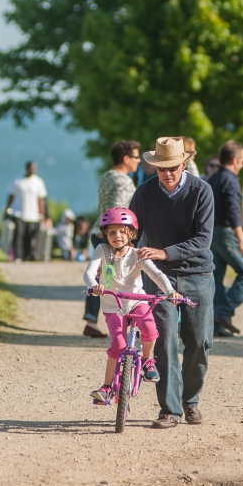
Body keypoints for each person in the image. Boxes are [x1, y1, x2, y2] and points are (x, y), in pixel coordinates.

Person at [128, 136, 215, 429]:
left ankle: (191, 401)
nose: (167, 173)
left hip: (198, 274)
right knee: (163, 340)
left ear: (185, 163)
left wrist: (167, 251)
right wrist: (115, 256)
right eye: (161, 168)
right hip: (159, 276)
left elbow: (204, 240)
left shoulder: (202, 191)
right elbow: (132, 232)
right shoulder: (143, 193)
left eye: (173, 167)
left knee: (199, 342)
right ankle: (169, 409)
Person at [83, 207, 184, 404]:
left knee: (149, 327)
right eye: (111, 232)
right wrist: (94, 286)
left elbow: (157, 275)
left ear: (131, 233)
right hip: (114, 305)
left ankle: (147, 360)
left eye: (122, 231)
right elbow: (89, 272)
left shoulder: (138, 254)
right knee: (118, 345)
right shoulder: (101, 250)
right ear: (105, 235)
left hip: (137, 300)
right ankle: (106, 387)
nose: (117, 236)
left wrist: (169, 291)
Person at [83, 140, 141, 338]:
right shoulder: (123, 181)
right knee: (116, 278)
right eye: (135, 157)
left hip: (97, 231)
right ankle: (123, 320)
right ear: (126, 159)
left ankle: (91, 319)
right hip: (111, 237)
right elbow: (117, 213)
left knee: (100, 277)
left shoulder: (107, 176)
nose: (139, 161)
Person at [207, 140, 243, 338]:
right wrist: (242, 240)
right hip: (226, 233)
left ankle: (215, 325)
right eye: (242, 161)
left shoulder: (213, 179)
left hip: (212, 234)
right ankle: (223, 312)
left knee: (217, 279)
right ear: (234, 160)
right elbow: (234, 212)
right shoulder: (231, 180)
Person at [6, 161, 48, 262]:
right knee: (19, 235)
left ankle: (28, 256)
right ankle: (18, 256)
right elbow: (11, 196)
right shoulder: (17, 180)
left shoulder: (38, 182)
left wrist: (43, 214)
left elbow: (41, 200)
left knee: (30, 236)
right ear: (26, 168)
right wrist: (7, 210)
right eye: (30, 167)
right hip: (18, 213)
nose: (32, 170)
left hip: (33, 215)